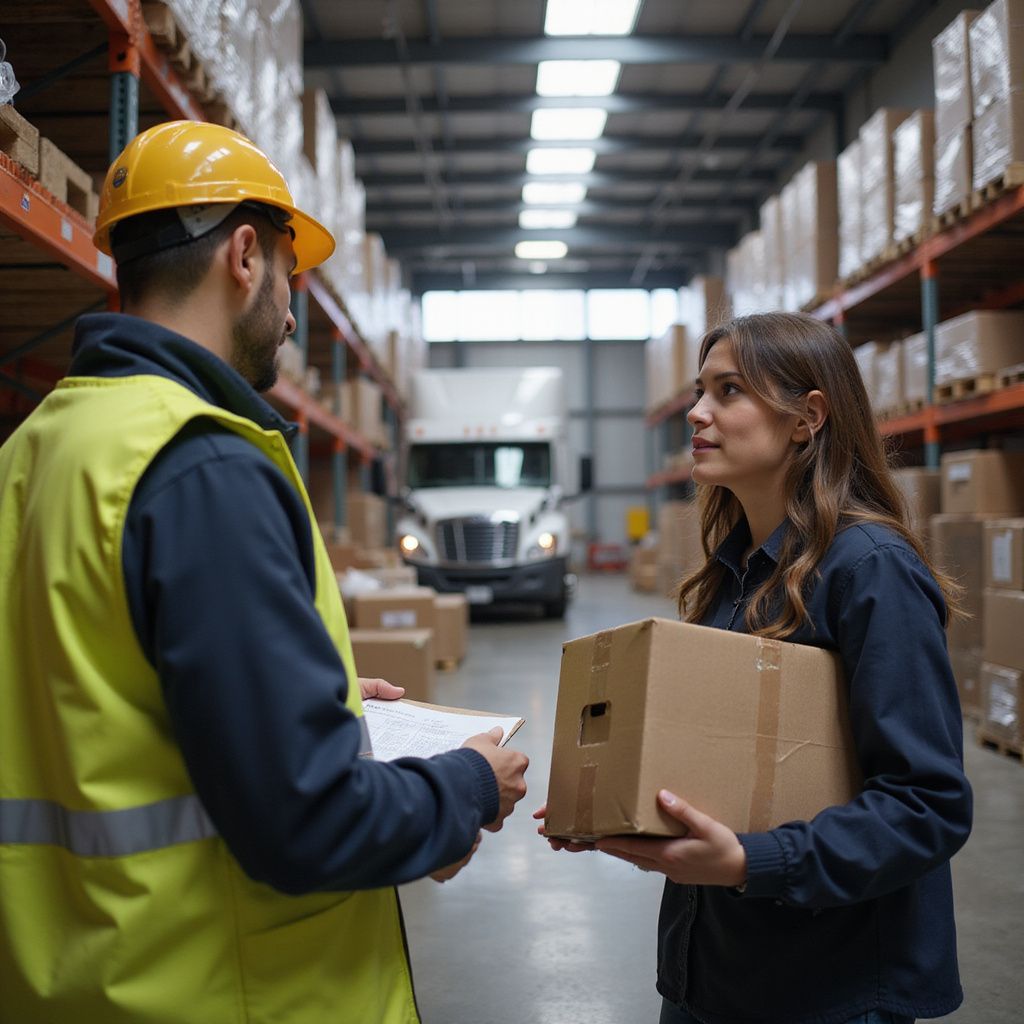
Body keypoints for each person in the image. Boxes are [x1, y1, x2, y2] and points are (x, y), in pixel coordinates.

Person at [0, 120, 528, 1023]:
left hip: (76, 979)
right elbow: (306, 820)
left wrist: (294, 687)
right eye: (291, 277)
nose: (290, 314)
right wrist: (467, 786)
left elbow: (90, 683)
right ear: (245, 256)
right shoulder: (202, 462)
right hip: (226, 987)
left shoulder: (38, 447)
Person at [539, 312, 972, 1024]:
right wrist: (621, 808)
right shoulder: (731, 574)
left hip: (824, 988)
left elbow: (928, 806)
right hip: (709, 972)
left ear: (807, 417)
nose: (697, 414)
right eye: (699, 391)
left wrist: (751, 862)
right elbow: (733, 764)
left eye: (728, 391)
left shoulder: (870, 572)